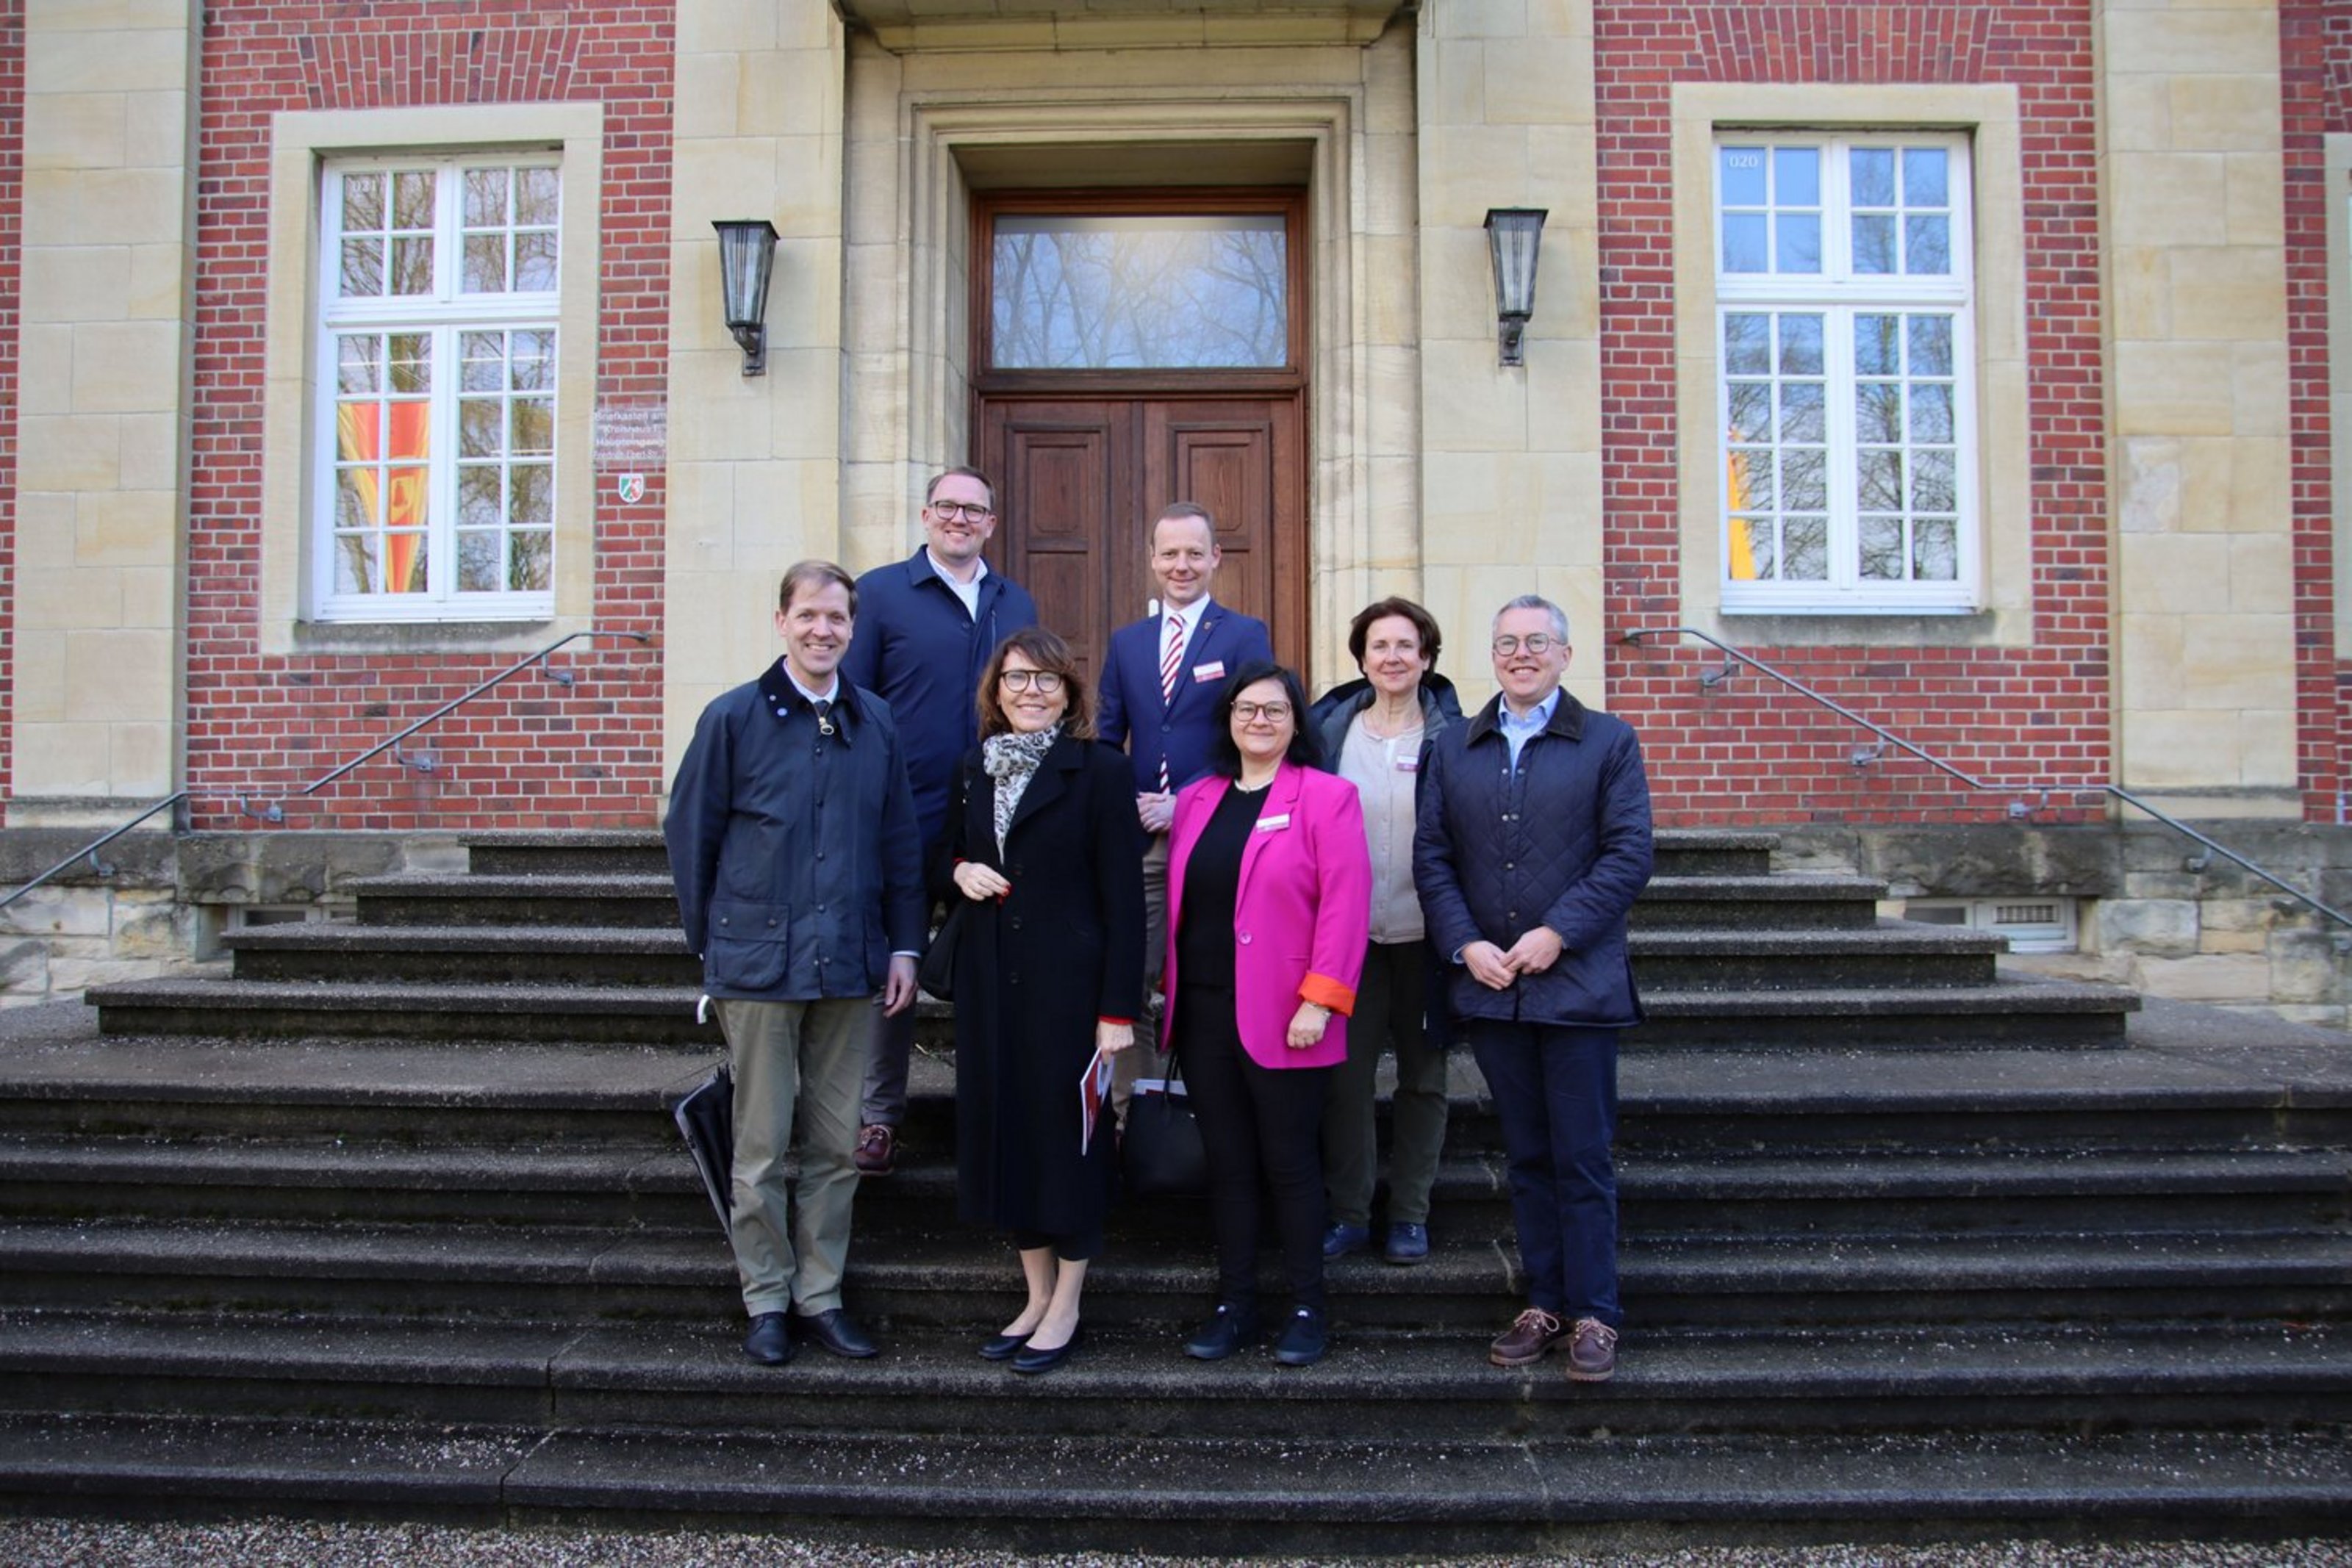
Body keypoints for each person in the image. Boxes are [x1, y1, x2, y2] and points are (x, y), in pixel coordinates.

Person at [664, 561, 927, 1367]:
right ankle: (767, 1297)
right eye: (808, 615)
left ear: (852, 628)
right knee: (761, 1146)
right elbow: (691, 837)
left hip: (850, 962)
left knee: (835, 1143)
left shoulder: (873, 719)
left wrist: (904, 945)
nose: (823, 630)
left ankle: (821, 1292)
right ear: (780, 620)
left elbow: (897, 843)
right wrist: (712, 947)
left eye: (837, 618)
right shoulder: (733, 718)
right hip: (758, 966)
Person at [1413, 594, 1653, 1385]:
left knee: (1580, 1157)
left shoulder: (1609, 742)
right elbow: (1432, 858)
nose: (1521, 653)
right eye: (1506, 642)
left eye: (1536, 641)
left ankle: (1594, 1313)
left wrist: (1558, 932)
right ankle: (1543, 1302)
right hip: (1492, 987)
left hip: (1576, 984)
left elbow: (1626, 855)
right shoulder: (1453, 747)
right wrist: (1463, 941)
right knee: (1525, 1157)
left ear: (1563, 653)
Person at [933, 627, 1146, 1376]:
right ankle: (1032, 1294)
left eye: (1047, 681)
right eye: (1018, 679)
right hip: (992, 987)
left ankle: (1067, 1303)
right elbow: (946, 851)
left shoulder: (1099, 772)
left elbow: (1124, 899)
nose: (1031, 692)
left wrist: (1117, 1009)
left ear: (1068, 694)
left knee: (1069, 1147)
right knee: (1008, 1140)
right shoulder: (974, 769)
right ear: (995, 691)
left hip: (1071, 992)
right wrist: (959, 870)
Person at [1164, 661, 1371, 1368]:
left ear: (1296, 722)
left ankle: (1308, 1307)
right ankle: (1236, 1303)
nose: (1260, 721)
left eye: (1275, 710)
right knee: (1229, 1166)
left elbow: (1346, 906)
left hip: (1290, 1015)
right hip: (1203, 1014)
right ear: (1228, 718)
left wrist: (1321, 999)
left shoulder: (1327, 797)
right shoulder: (1198, 799)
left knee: (1289, 1164)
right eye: (1247, 709)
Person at [840, 466, 1039, 1178]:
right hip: (902, 818)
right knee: (889, 972)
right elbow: (851, 707)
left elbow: (1029, 701)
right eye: (947, 506)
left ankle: (988, 1113)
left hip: (988, 824)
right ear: (926, 515)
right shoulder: (882, 594)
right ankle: (876, 1117)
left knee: (989, 970)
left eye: (973, 510)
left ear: (990, 521)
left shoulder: (1012, 599)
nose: (959, 518)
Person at [1097, 502, 1273, 1112]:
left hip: (1216, 834)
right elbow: (1105, 739)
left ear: (1215, 559)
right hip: (1143, 837)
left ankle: (1213, 1108)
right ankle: (1137, 1110)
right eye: (1169, 553)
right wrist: (1132, 805)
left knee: (1206, 977)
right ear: (1151, 561)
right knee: (1132, 974)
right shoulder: (1128, 644)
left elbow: (1252, 731)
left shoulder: (1245, 635)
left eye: (1194, 553)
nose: (1182, 565)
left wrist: (1188, 805)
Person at [1306, 597, 1464, 1267]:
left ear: (1426, 658)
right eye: (1380, 646)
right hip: (1350, 941)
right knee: (1345, 1080)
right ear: (1362, 659)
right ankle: (1348, 1212)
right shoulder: (1330, 736)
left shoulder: (1456, 738)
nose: (1393, 658)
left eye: (1407, 646)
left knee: (1424, 1079)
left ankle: (1409, 1215)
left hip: (1427, 936)